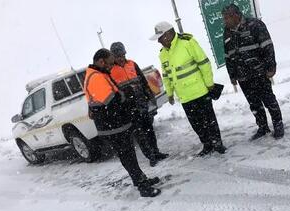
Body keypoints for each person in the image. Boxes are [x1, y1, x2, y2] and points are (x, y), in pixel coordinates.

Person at [83, 48, 161, 197]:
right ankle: (143, 187)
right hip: (112, 127)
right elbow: (113, 103)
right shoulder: (96, 77)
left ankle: (141, 180)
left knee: (129, 155)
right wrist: (129, 96)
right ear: (101, 61)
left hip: (115, 125)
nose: (112, 67)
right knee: (128, 157)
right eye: (110, 64)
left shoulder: (99, 74)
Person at [149, 21, 226, 157]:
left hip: (200, 91)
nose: (159, 41)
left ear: (168, 34)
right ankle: (207, 144)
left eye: (160, 37)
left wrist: (209, 84)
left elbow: (204, 63)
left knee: (209, 120)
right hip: (184, 96)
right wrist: (170, 93)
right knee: (196, 124)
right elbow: (166, 75)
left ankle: (217, 143)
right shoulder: (163, 54)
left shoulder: (188, 42)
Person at [222, 4, 284, 140]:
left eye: (227, 17)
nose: (225, 21)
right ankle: (262, 127)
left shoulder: (255, 25)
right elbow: (228, 56)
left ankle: (278, 124)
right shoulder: (226, 32)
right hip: (243, 77)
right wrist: (232, 75)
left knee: (269, 100)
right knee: (254, 104)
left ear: (236, 15)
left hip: (259, 72)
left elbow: (267, 46)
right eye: (224, 18)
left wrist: (271, 67)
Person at [109, 42, 169, 167]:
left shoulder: (132, 64)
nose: (120, 58)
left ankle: (156, 152)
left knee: (149, 130)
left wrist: (150, 96)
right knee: (139, 134)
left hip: (141, 104)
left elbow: (143, 81)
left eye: (122, 54)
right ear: (113, 56)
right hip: (128, 108)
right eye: (117, 56)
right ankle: (150, 156)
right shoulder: (111, 71)